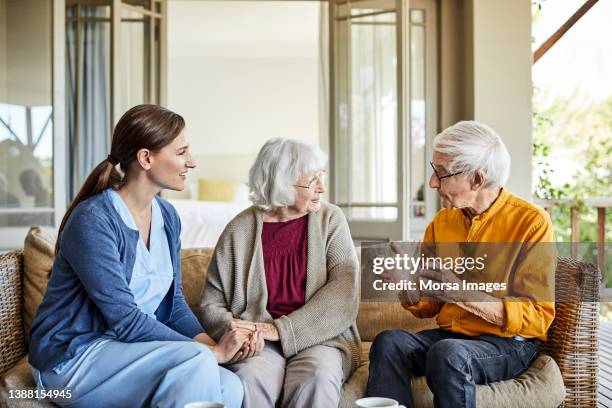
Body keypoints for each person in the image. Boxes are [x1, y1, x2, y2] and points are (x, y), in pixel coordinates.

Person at [29, 104, 248, 408]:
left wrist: (218, 349)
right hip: (70, 360)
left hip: (128, 351)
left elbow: (173, 308)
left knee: (231, 387)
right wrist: (210, 354)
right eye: (182, 151)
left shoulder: (167, 216)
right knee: (198, 361)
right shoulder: (94, 219)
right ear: (146, 158)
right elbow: (125, 319)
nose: (192, 162)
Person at [366, 121, 556, 408]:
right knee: (389, 342)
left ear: (477, 180)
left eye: (440, 173)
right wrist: (407, 286)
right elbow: (429, 306)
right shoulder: (442, 222)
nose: (431, 182)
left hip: (508, 344)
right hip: (452, 335)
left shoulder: (531, 223)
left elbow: (538, 316)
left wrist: (461, 292)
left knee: (448, 353)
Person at [200, 138, 361, 408]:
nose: (322, 187)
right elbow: (210, 303)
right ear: (281, 183)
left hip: (321, 338)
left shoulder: (330, 220)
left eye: (322, 177)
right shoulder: (238, 231)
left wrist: (279, 329)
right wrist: (238, 332)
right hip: (257, 342)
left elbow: (343, 293)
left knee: (316, 378)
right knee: (249, 378)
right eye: (313, 180)